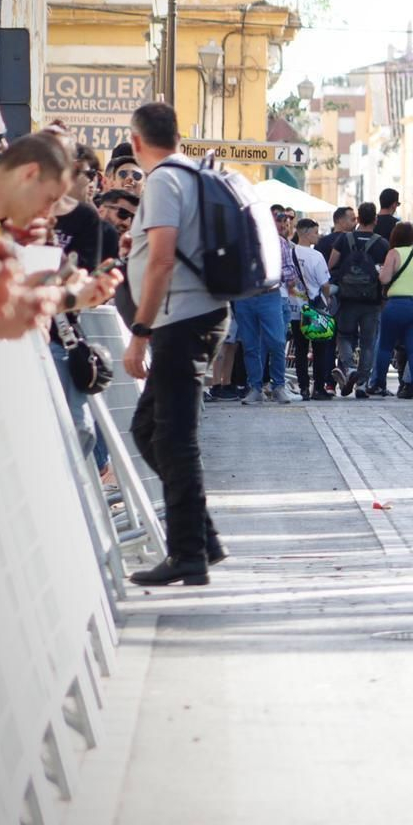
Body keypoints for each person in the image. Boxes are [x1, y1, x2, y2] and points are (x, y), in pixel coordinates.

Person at [120, 102, 230, 586]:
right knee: (149, 430)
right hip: (197, 315)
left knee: (174, 438)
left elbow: (163, 261)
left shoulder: (164, 179)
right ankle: (201, 538)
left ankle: (188, 555)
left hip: (181, 321)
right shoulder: (193, 174)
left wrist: (139, 334)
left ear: (137, 141)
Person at [231, 207, 296, 405]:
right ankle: (256, 388)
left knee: (276, 341)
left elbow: (290, 272)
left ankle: (278, 386)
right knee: (250, 345)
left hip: (270, 295)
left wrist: (269, 273)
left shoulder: (279, 243)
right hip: (245, 297)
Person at [329, 201, 390, 398]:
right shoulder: (382, 243)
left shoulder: (344, 239)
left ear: (358, 218)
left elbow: (331, 265)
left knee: (344, 336)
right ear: (375, 219)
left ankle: (349, 366)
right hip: (371, 301)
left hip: (346, 298)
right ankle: (362, 383)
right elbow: (386, 274)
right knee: (368, 342)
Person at [370, 221, 413, 399]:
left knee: (386, 347)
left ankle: (379, 384)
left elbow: (385, 279)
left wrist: (380, 272)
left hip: (397, 305)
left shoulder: (393, 253)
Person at [290, 217, 335, 400]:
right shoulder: (316, 256)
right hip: (315, 309)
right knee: (319, 349)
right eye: (315, 232)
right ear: (307, 233)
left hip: (295, 309)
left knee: (300, 349)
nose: (318, 236)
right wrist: (327, 298)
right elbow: (325, 284)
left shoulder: (289, 252)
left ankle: (302, 388)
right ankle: (318, 387)